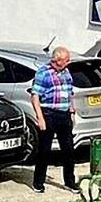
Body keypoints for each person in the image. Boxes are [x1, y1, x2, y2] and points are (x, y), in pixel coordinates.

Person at [27, 47, 76, 193]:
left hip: (64, 114)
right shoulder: (43, 73)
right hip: (49, 113)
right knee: (45, 150)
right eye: (66, 60)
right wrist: (40, 117)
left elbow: (69, 92)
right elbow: (35, 96)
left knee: (68, 150)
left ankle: (70, 182)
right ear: (57, 60)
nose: (68, 62)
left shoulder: (66, 72)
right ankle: (38, 182)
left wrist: (72, 111)